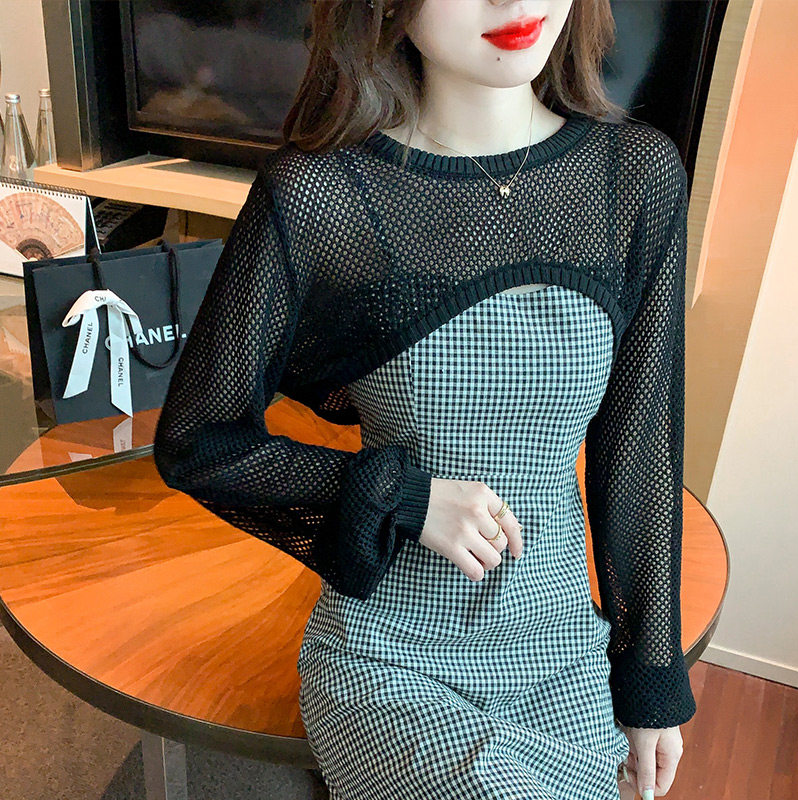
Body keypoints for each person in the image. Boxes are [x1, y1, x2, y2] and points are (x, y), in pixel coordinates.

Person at [153, 1, 698, 798]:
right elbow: (197, 441)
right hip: (389, 658)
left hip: (557, 654)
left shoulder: (635, 176)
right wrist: (403, 496)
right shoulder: (323, 195)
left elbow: (639, 447)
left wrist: (651, 679)